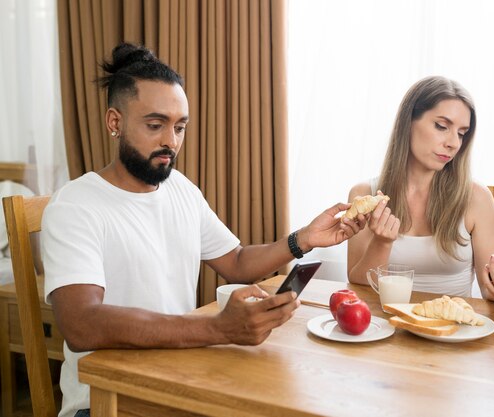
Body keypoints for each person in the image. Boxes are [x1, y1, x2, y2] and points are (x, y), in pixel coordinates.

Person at [41, 43, 365, 417]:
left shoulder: (180, 188)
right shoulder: (76, 206)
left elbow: (238, 262)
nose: (171, 141)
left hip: (179, 378)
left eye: (179, 127)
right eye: (155, 125)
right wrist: (219, 330)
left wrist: (303, 239)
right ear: (115, 122)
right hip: (105, 401)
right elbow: (82, 325)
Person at [346, 76, 494, 302]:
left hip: (451, 331)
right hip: (386, 327)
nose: (453, 143)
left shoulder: (477, 198)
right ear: (409, 122)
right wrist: (382, 243)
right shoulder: (365, 195)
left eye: (461, 133)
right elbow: (358, 285)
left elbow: (490, 292)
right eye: (442, 127)